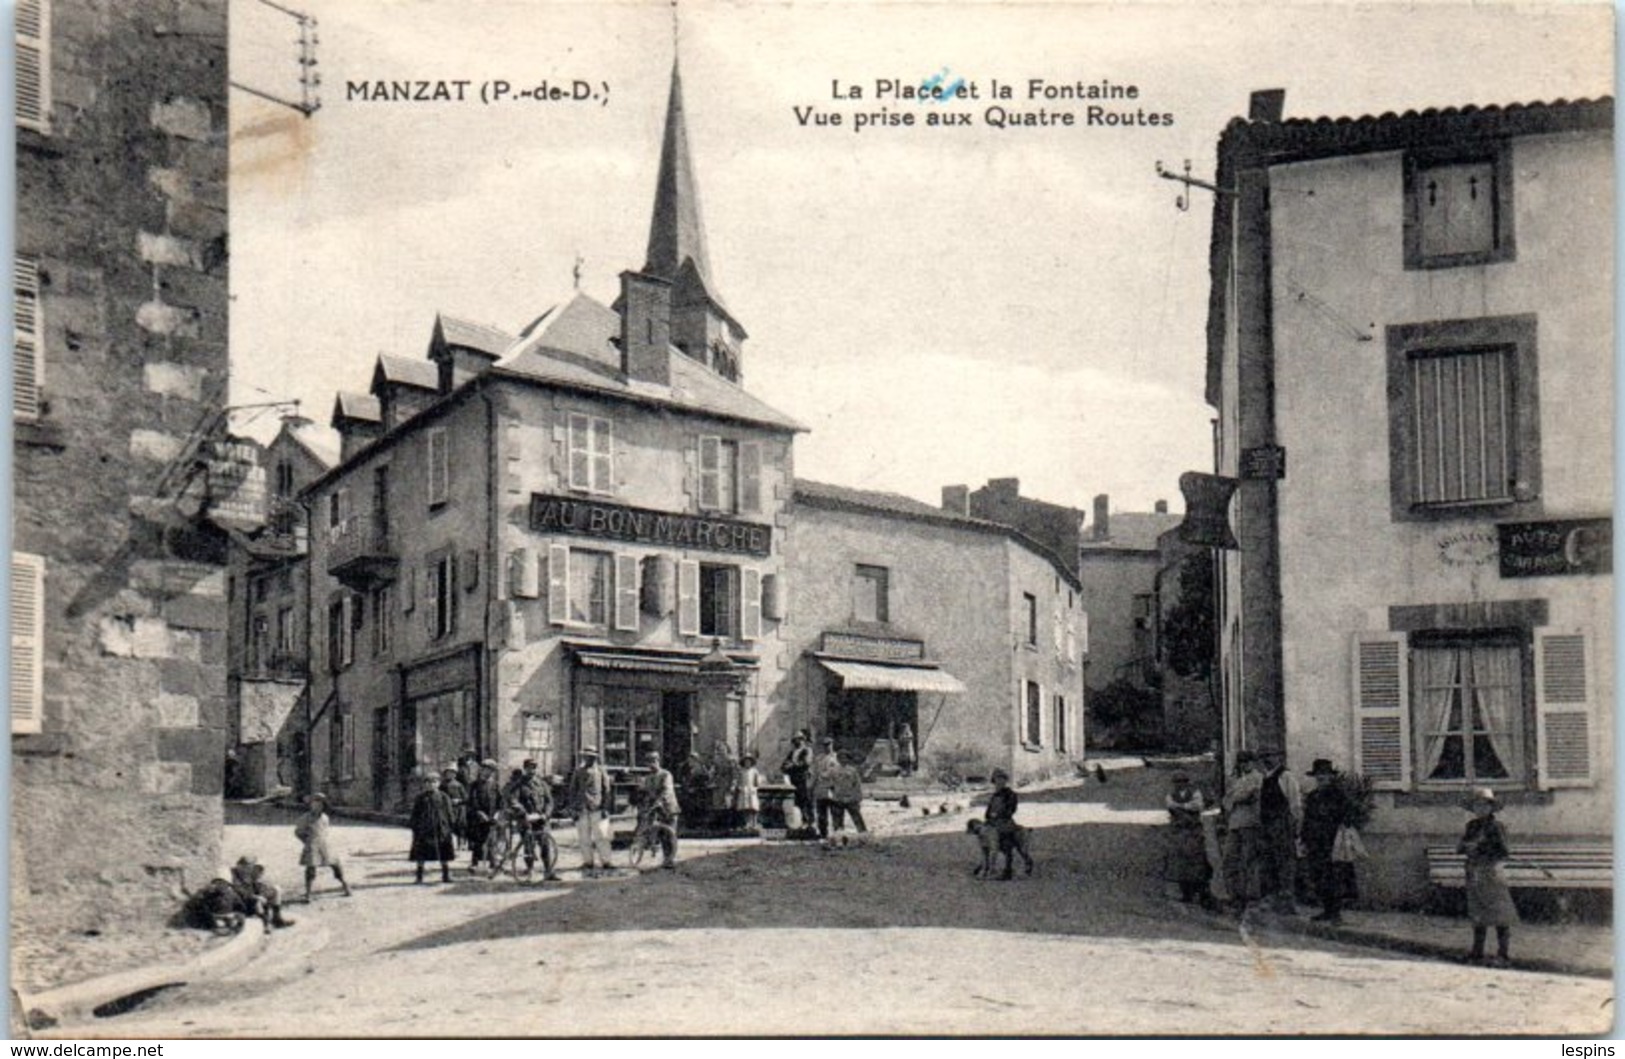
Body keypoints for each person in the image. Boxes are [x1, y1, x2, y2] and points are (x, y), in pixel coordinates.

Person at [1458, 787, 1518, 966]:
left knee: (1500, 914)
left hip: (1491, 872)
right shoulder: (1472, 826)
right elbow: (1461, 847)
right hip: (1474, 872)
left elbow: (1504, 851)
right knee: (1478, 914)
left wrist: (1482, 847)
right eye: (1477, 805)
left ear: (1491, 807)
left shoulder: (1497, 827)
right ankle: (1477, 953)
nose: (1481, 809)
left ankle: (1503, 955)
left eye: (1485, 805)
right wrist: (1466, 846)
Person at [1300, 758, 1355, 924]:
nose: (1321, 778)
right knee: (1318, 876)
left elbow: (1349, 814)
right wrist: (1304, 839)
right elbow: (1307, 819)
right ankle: (1326, 910)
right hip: (1315, 842)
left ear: (1331, 777)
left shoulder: (1338, 794)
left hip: (1332, 842)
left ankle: (1336, 913)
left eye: (1324, 774)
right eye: (1318, 775)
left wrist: (1341, 826)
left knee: (1334, 876)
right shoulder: (1312, 796)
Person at [1257, 748, 1303, 912]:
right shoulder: (1265, 777)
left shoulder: (1286, 777)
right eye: (1265, 756)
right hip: (1267, 825)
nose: (1267, 759)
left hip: (1282, 825)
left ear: (1279, 758)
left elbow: (1295, 803)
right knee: (1269, 862)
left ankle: (1287, 901)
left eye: (1270, 756)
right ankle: (1272, 899)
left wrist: (1296, 826)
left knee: (1285, 862)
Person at [1221, 750, 1264, 911]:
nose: (1245, 765)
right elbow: (1226, 801)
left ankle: (1249, 897)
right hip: (1234, 823)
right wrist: (1235, 797)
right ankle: (1235, 895)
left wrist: (1236, 798)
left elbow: (1249, 796)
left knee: (1248, 860)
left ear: (1253, 762)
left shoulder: (1258, 777)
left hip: (1250, 823)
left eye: (1248, 762)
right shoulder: (1236, 780)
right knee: (1230, 859)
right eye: (1242, 762)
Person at [1164, 771, 1213, 907]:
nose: (1180, 785)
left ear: (1187, 782)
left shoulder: (1195, 793)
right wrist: (1186, 808)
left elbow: (1198, 805)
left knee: (1196, 860)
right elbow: (1170, 805)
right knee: (1181, 861)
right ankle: (1186, 892)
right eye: (1177, 782)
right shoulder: (1171, 795)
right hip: (1180, 832)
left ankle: (1201, 890)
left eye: (1182, 782)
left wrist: (1182, 807)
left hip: (1193, 832)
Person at [505, 758, 559, 879]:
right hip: (526, 820)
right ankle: (530, 870)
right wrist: (523, 813)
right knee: (528, 847)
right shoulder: (519, 784)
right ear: (525, 769)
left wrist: (546, 814)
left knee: (545, 845)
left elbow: (549, 801)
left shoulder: (542, 784)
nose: (532, 770)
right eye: (529, 767)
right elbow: (513, 800)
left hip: (541, 820)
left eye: (534, 767)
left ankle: (548, 871)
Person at [568, 746, 615, 877]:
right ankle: (588, 862)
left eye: (591, 756)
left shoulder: (601, 771)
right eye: (586, 756)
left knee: (602, 836)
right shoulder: (578, 772)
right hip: (581, 808)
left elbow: (607, 791)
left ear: (596, 757)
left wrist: (606, 808)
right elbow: (572, 791)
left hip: (598, 808)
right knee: (584, 837)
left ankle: (606, 861)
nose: (589, 758)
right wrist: (573, 808)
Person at [295, 793, 351, 901]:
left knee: (336, 865)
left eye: (321, 804)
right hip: (312, 844)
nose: (317, 806)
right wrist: (307, 841)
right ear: (310, 805)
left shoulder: (325, 818)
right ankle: (308, 894)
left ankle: (346, 887)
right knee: (310, 869)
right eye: (315, 803)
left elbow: (325, 831)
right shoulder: (305, 818)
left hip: (325, 844)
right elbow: (298, 832)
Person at [409, 773, 456, 884]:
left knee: (444, 852)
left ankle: (446, 875)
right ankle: (419, 876)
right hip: (424, 829)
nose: (431, 785)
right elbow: (415, 814)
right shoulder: (420, 798)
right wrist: (415, 827)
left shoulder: (444, 797)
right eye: (428, 782)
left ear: (438, 783)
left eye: (434, 782)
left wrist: (450, 825)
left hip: (441, 828)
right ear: (425, 784)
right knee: (421, 853)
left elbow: (449, 813)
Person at [228, 855, 293, 930]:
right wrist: (257, 897)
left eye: (250, 866)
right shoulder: (234, 875)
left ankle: (277, 918)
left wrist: (259, 883)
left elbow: (260, 885)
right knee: (257, 901)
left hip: (253, 896)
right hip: (242, 903)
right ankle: (265, 922)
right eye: (245, 866)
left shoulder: (251, 872)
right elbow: (239, 892)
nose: (248, 869)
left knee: (276, 889)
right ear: (239, 865)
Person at [984, 768, 1027, 880]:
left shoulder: (1010, 794)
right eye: (997, 780)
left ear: (1005, 781)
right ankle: (988, 867)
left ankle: (1008, 870)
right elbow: (988, 812)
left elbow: (1011, 810)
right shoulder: (994, 796)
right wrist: (990, 817)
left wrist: (999, 815)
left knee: (1007, 844)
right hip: (994, 823)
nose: (999, 782)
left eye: (1001, 779)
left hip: (1005, 823)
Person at [641, 751, 681, 869]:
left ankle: (671, 859)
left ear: (658, 761)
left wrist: (659, 801)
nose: (651, 765)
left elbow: (666, 790)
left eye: (653, 762)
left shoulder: (666, 774)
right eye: (649, 763)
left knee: (670, 834)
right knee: (662, 835)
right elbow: (648, 793)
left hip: (669, 808)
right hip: (657, 809)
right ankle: (666, 859)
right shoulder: (648, 778)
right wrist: (646, 804)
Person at [464, 759, 503, 874]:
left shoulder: (495, 785)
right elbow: (472, 802)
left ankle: (493, 863)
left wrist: (497, 814)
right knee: (478, 841)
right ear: (481, 770)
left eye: (491, 771)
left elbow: (500, 802)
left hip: (492, 817)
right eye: (485, 769)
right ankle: (474, 863)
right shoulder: (474, 785)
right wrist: (479, 813)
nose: (488, 773)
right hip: (478, 817)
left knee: (492, 840)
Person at [780, 731, 814, 831]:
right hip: (793, 780)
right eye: (795, 740)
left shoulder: (807, 750)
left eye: (799, 739)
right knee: (797, 801)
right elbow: (784, 765)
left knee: (806, 800)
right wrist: (787, 766)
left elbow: (806, 763)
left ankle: (809, 823)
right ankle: (799, 823)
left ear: (803, 740)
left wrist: (793, 765)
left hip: (803, 779)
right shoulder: (792, 752)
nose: (797, 741)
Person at [812, 736, 843, 839]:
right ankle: (823, 833)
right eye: (825, 745)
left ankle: (837, 833)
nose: (827, 747)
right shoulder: (819, 758)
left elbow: (836, 772)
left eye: (829, 745)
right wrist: (812, 785)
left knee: (835, 812)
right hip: (821, 788)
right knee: (821, 812)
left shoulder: (836, 757)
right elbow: (815, 773)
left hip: (833, 788)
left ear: (832, 745)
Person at [830, 753, 867, 833]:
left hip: (850, 797)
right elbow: (831, 784)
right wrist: (833, 795)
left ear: (848, 759)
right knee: (837, 820)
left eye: (845, 758)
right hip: (838, 798)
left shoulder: (852, 770)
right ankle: (839, 835)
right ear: (838, 759)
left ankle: (863, 834)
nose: (843, 760)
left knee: (857, 818)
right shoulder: (834, 770)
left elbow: (857, 784)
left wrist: (858, 797)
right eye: (841, 758)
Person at [731, 753, 762, 832]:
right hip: (744, 790)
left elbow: (757, 781)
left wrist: (755, 788)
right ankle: (746, 824)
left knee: (753, 808)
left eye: (749, 761)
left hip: (751, 790)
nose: (747, 763)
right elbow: (738, 780)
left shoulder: (754, 771)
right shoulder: (741, 771)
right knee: (745, 808)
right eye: (746, 761)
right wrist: (738, 786)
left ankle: (754, 824)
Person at [440, 767, 467, 851]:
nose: (450, 775)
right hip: (447, 809)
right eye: (448, 773)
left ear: (455, 775)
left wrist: (459, 800)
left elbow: (465, 797)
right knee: (447, 826)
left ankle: (461, 844)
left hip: (458, 809)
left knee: (460, 826)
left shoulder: (459, 785)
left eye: (452, 773)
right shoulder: (442, 785)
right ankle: (447, 845)